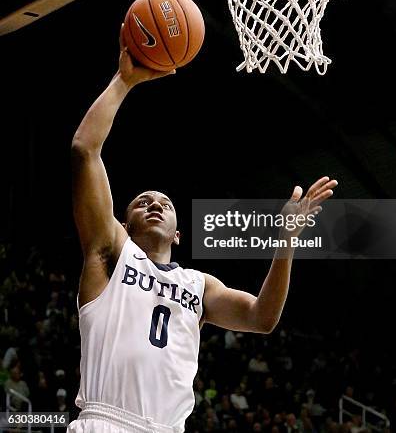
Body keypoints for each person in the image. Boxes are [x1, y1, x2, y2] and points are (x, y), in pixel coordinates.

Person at [67, 30, 338, 433]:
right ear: (124, 225)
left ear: (178, 235)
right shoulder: (109, 251)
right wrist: (124, 81)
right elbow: (84, 150)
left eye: (166, 203)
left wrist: (285, 242)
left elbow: (262, 318)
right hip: (106, 421)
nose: (155, 204)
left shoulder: (200, 285)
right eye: (142, 201)